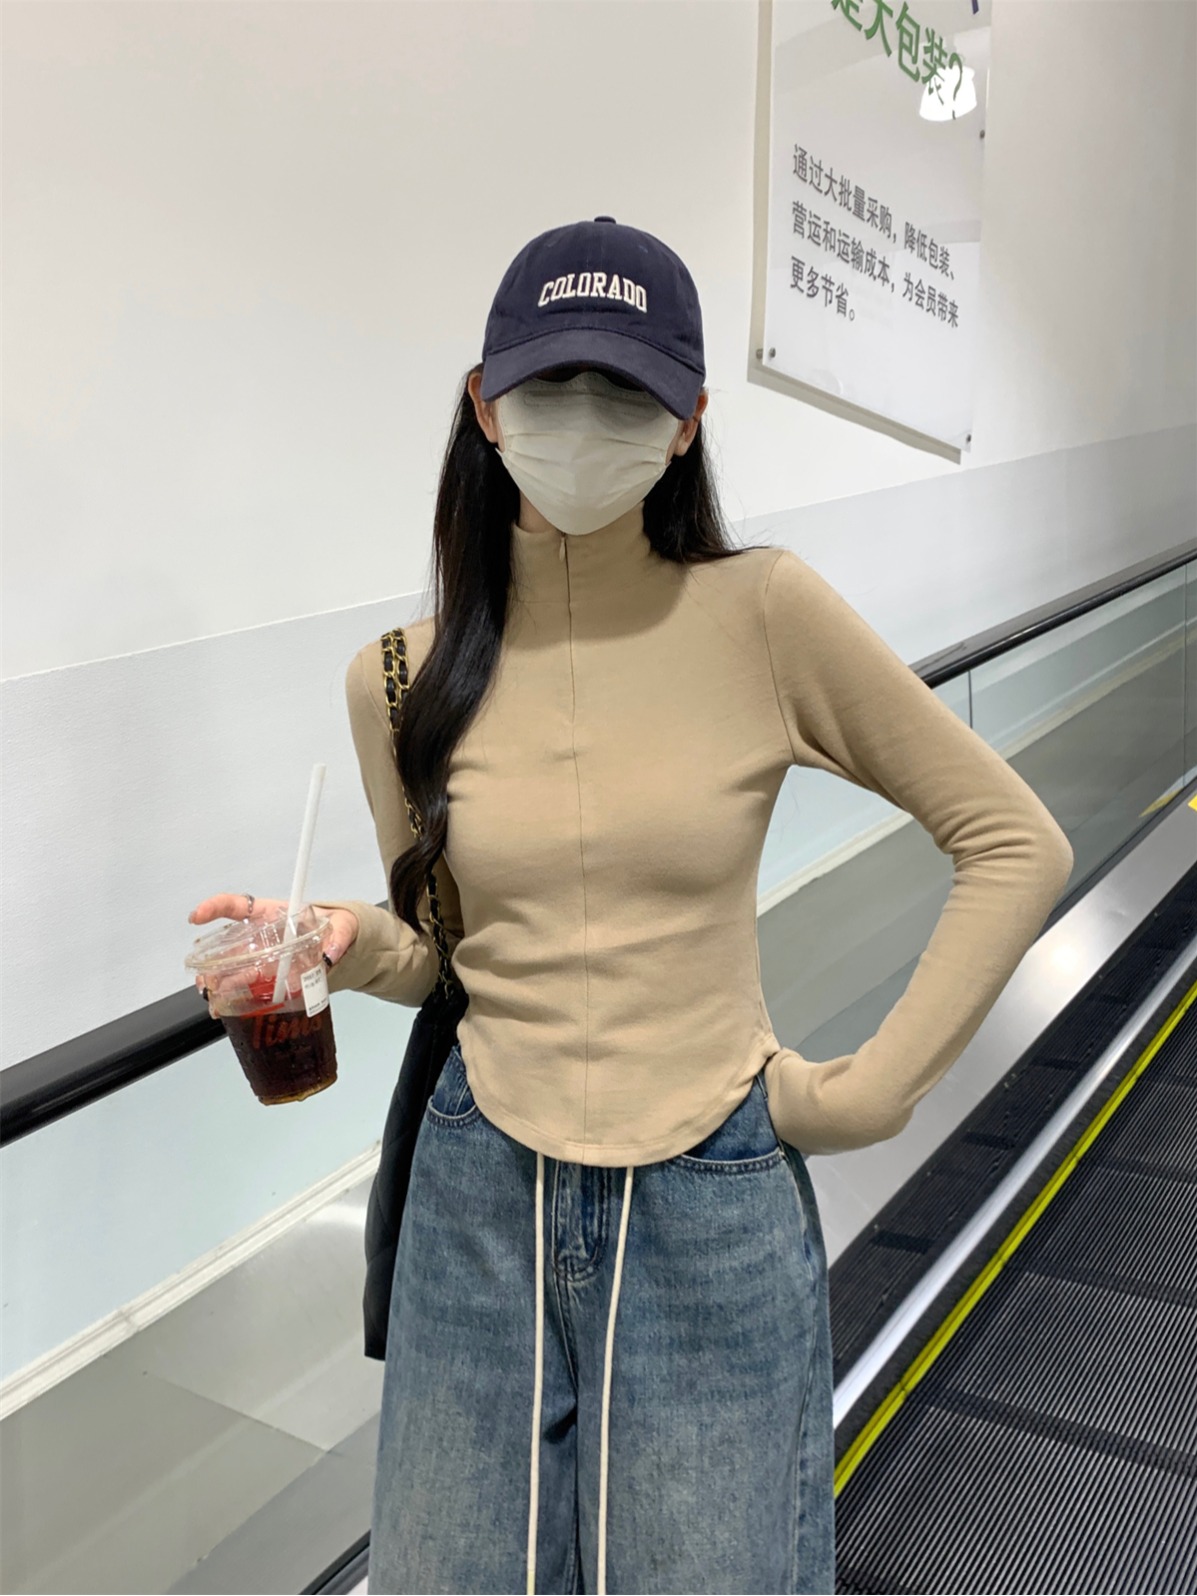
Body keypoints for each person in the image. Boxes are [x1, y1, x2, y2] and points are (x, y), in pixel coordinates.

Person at [189, 216, 1074, 1594]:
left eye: (626, 392)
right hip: (477, 1188)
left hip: (709, 1190)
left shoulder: (764, 613)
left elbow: (1013, 839)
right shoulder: (397, 678)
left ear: (686, 422)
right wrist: (353, 949)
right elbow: (455, 958)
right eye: (550, 386)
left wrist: (862, 1098)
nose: (584, 421)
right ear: (486, 405)